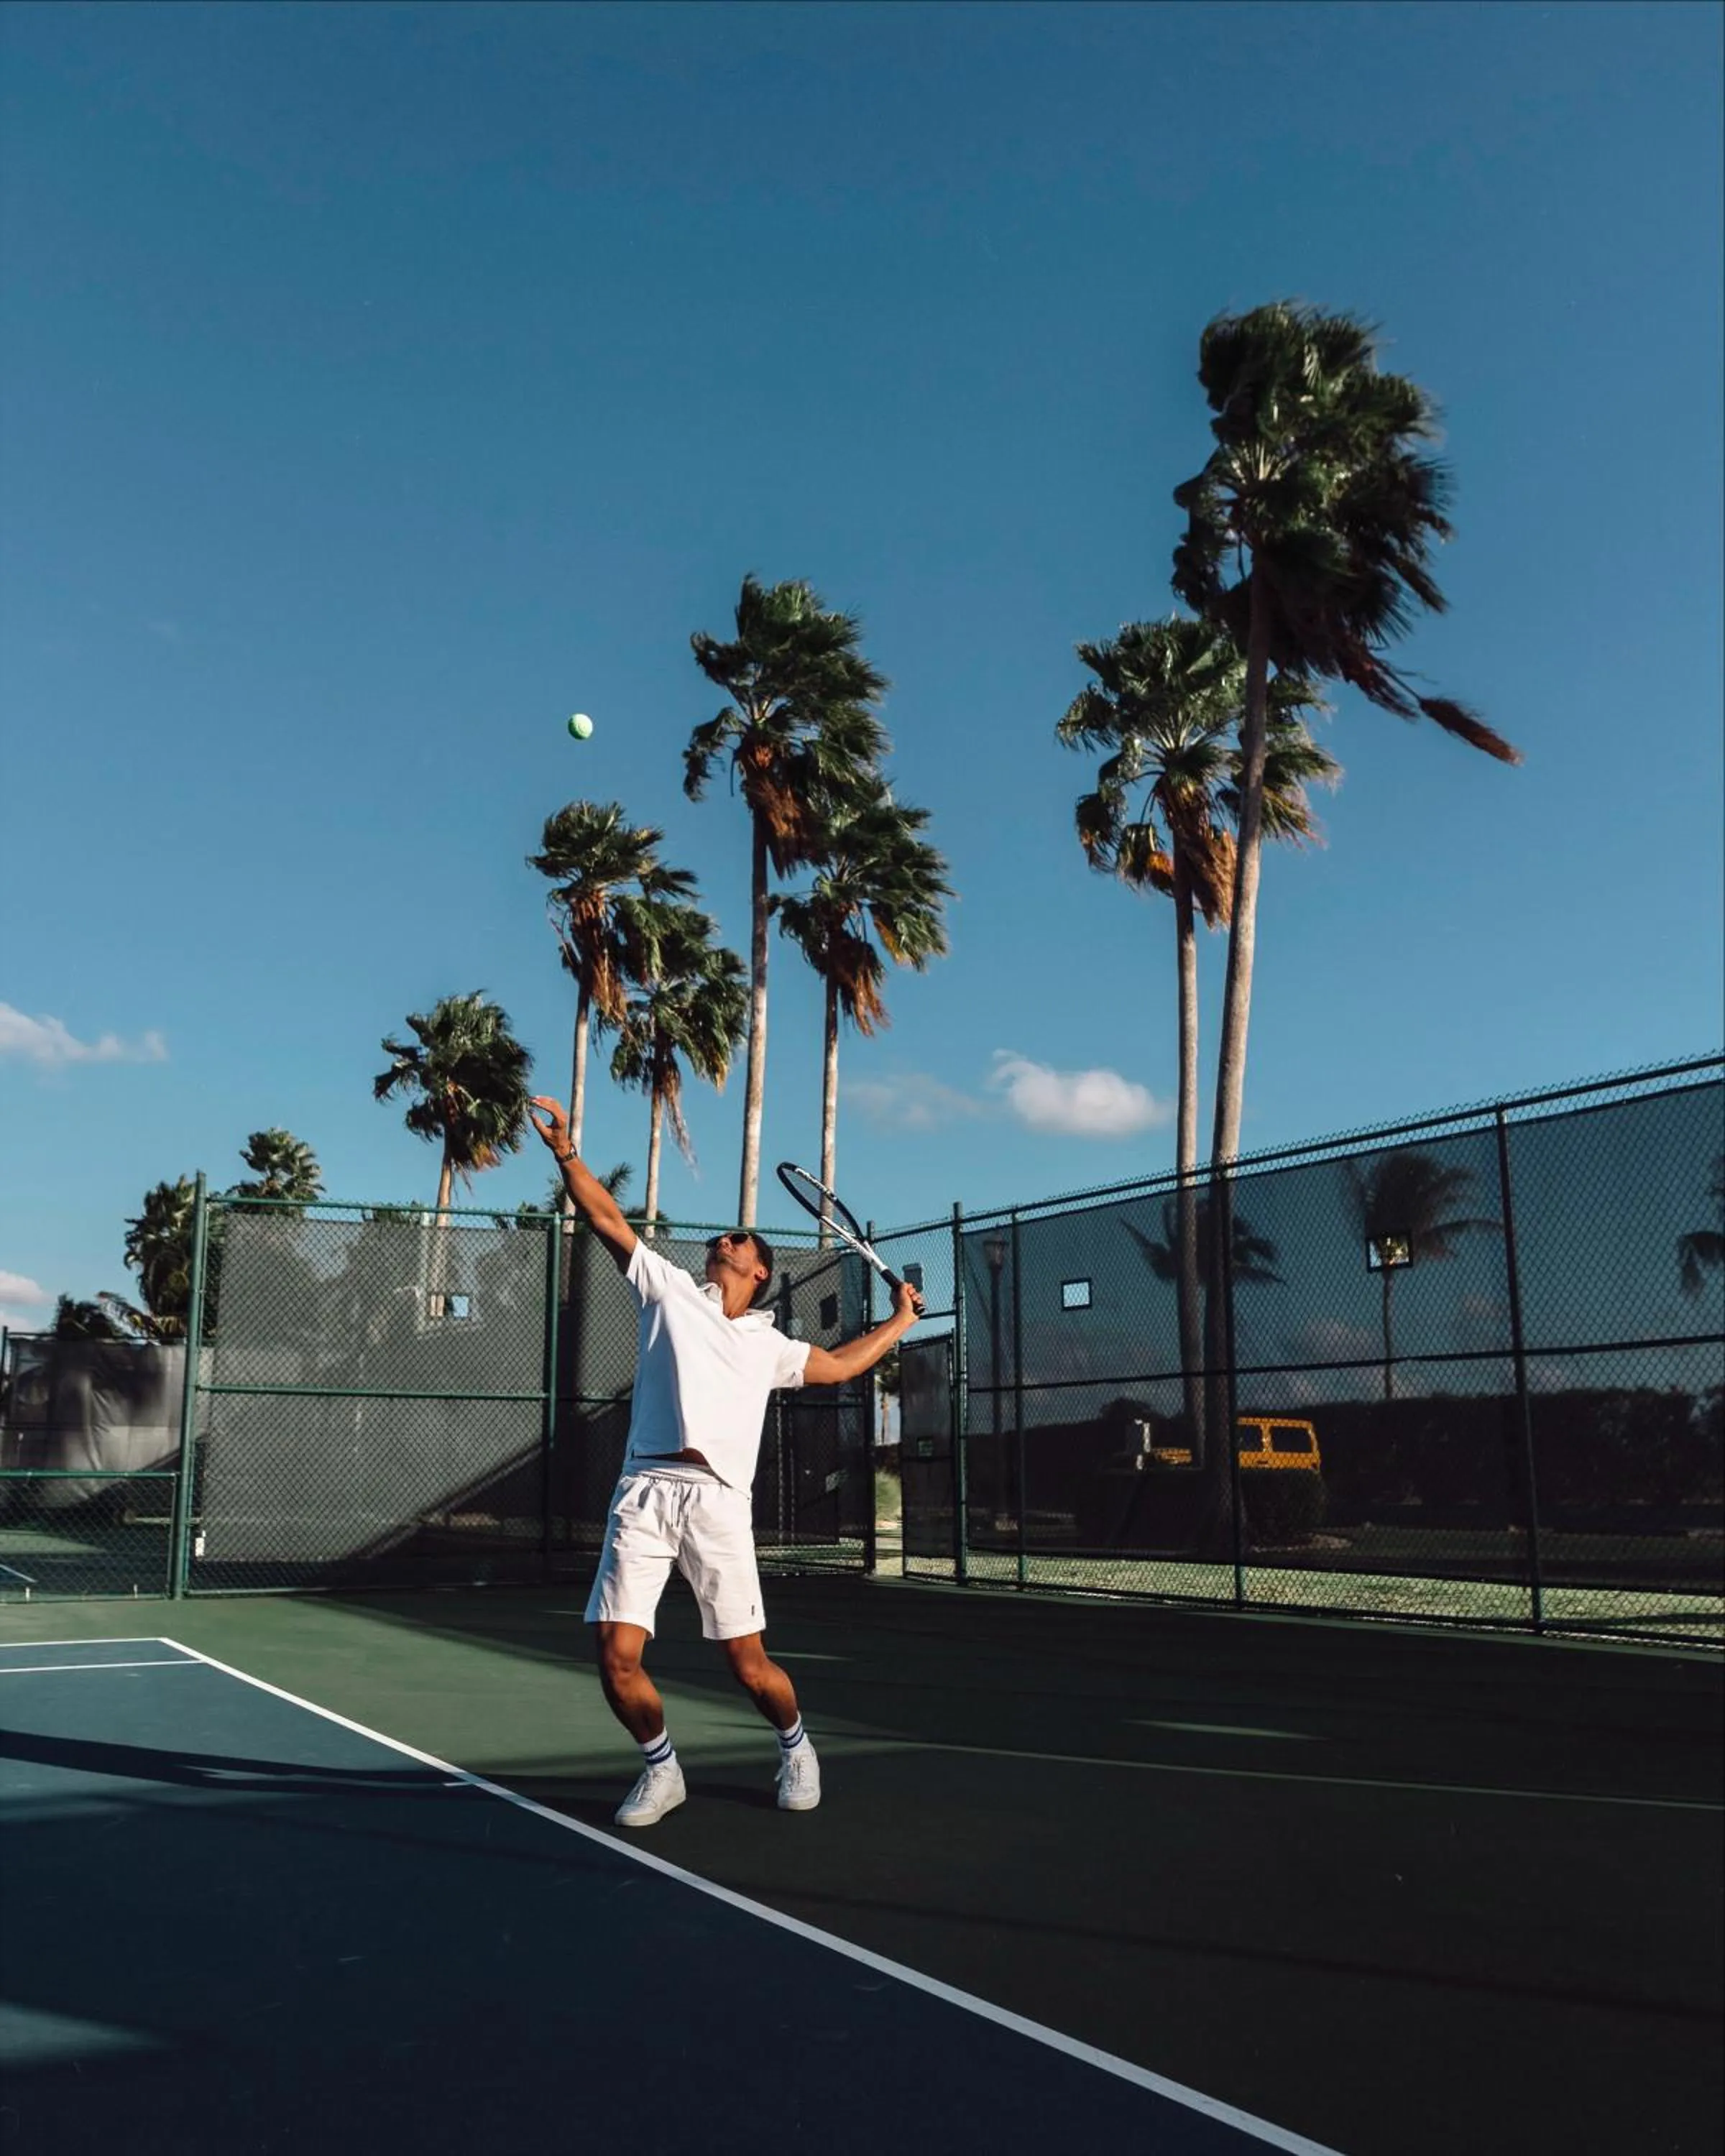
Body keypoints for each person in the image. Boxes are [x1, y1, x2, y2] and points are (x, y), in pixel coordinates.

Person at [528, 1095, 922, 1828]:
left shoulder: (770, 1345)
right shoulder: (669, 1292)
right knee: (615, 1657)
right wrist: (566, 1155)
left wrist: (901, 1319)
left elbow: (839, 1367)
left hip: (717, 1503)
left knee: (747, 1664)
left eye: (739, 1242)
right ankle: (662, 1769)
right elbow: (608, 1221)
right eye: (721, 1238)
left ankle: (796, 1745)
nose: (725, 1242)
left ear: (760, 1271)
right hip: (644, 1489)